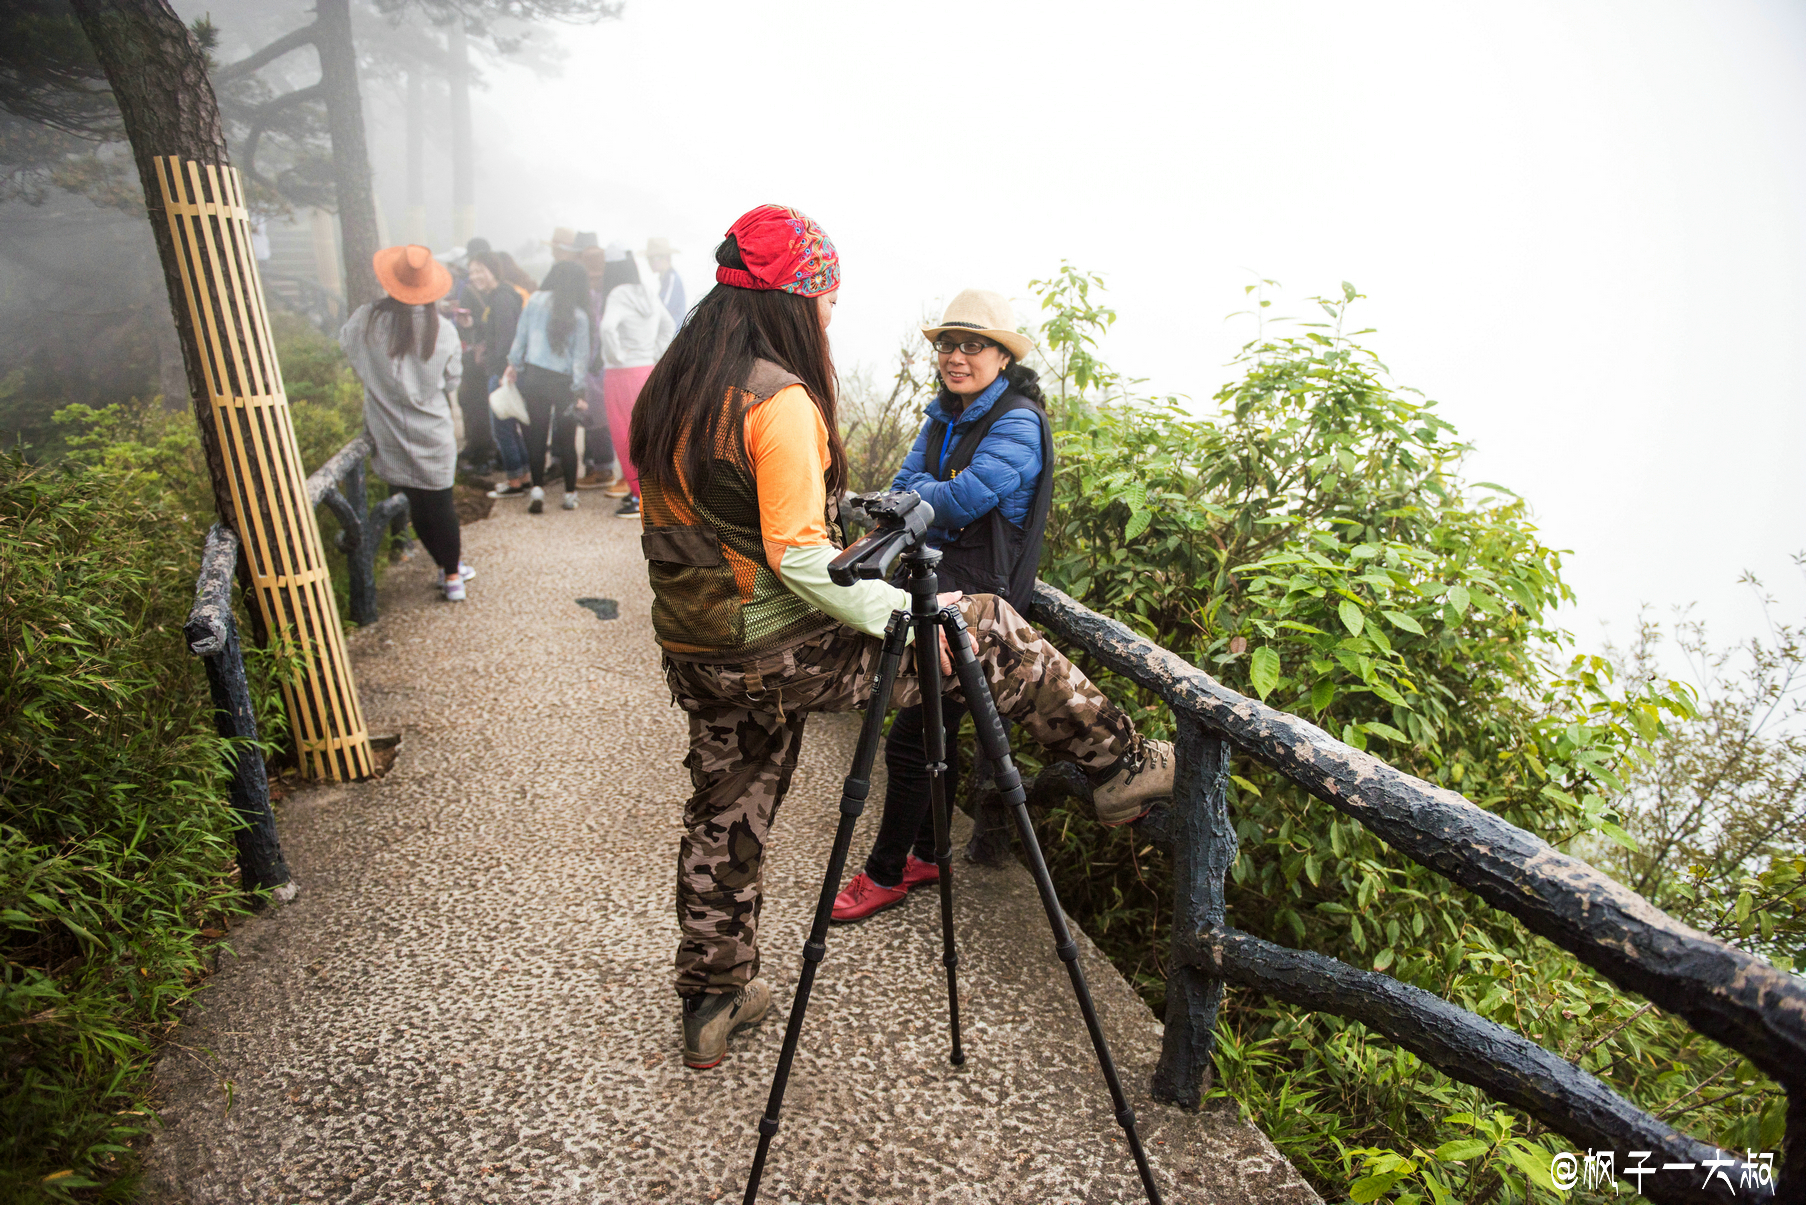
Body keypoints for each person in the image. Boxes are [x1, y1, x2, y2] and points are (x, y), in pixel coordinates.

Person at [631, 204, 1175, 1071]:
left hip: (698, 647)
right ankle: (1119, 761)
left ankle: (713, 996)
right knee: (987, 625)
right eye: (827, 301)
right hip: (771, 645)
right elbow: (801, 561)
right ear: (792, 300)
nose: (830, 317)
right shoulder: (777, 399)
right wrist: (912, 615)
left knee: (725, 811)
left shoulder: (675, 386)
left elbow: (732, 528)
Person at [831, 289, 1054, 922]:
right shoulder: (944, 413)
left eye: (972, 345)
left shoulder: (1016, 420)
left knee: (909, 742)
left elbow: (958, 503)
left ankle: (885, 874)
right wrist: (929, 494)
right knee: (933, 731)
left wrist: (927, 495)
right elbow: (909, 491)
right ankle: (927, 854)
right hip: (933, 589)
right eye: (947, 345)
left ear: (1001, 355)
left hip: (983, 606)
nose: (957, 356)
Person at [340, 245, 472, 600]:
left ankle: (445, 566)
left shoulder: (366, 319)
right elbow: (453, 380)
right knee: (441, 504)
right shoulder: (441, 329)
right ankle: (452, 575)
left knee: (414, 503)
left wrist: (376, 380)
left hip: (389, 430)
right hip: (432, 431)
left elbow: (348, 348)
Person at [504, 259, 590, 513]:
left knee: (536, 436)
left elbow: (520, 338)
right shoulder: (580, 315)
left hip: (534, 378)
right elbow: (580, 359)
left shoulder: (536, 300)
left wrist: (513, 365)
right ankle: (570, 494)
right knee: (567, 439)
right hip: (563, 383)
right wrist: (579, 390)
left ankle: (537, 490)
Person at [599, 241, 676, 519]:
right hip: (645, 370)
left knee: (624, 434)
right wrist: (654, 353)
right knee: (647, 433)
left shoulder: (617, 295)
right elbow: (668, 325)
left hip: (621, 375)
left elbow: (608, 328)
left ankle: (638, 497)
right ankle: (655, 493)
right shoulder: (647, 292)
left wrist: (617, 355)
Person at [455, 252, 529, 500]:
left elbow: (507, 338)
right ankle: (523, 476)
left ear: (493, 271)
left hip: (501, 373)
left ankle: (515, 481)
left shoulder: (502, 299)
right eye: (472, 271)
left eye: (480, 270)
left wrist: (501, 370)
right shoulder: (498, 297)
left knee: (502, 428)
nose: (475, 276)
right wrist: (472, 325)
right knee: (509, 425)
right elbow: (496, 332)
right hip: (502, 370)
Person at [453, 239, 499, 472]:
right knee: (483, 404)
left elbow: (480, 325)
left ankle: (482, 454)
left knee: (472, 402)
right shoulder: (498, 290)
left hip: (477, 357)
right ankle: (491, 450)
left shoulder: (471, 289)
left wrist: (467, 324)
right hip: (490, 357)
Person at [575, 245, 619, 491]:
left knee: (596, 417)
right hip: (603, 362)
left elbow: (595, 332)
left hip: (595, 364)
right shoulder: (612, 294)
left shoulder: (594, 298)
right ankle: (597, 465)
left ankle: (602, 469)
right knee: (598, 415)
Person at [646, 237, 685, 325]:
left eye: (654, 258)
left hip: (673, 334)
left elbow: (663, 308)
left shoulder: (672, 278)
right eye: (649, 259)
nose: (650, 262)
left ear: (666, 258)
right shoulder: (665, 278)